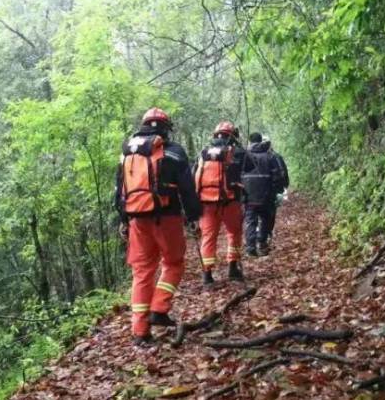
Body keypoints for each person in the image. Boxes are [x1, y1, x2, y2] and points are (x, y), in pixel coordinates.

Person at [114, 107, 201, 346]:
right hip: (168, 217)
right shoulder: (173, 152)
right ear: (166, 128)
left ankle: (140, 332)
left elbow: (119, 190)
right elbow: (187, 189)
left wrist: (123, 220)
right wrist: (194, 216)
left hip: (136, 219)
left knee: (142, 272)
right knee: (174, 263)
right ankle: (159, 308)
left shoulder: (127, 152)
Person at [194, 121, 245, 285]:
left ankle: (207, 276)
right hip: (230, 202)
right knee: (234, 233)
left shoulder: (204, 153)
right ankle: (232, 268)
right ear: (233, 136)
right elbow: (249, 168)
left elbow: (193, 175)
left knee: (208, 237)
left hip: (207, 203)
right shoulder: (237, 152)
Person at [241, 132, 283, 257]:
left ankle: (250, 247)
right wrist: (276, 191)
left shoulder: (244, 156)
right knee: (265, 219)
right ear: (261, 141)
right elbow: (277, 175)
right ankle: (262, 243)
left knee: (250, 221)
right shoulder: (270, 156)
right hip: (266, 195)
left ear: (250, 141)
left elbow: (238, 175)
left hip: (249, 196)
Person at [262, 136, 290, 244]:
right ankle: (266, 233)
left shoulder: (275, 156)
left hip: (266, 190)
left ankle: (265, 233)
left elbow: (283, 171)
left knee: (268, 212)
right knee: (270, 211)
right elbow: (283, 172)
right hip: (272, 190)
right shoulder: (275, 156)